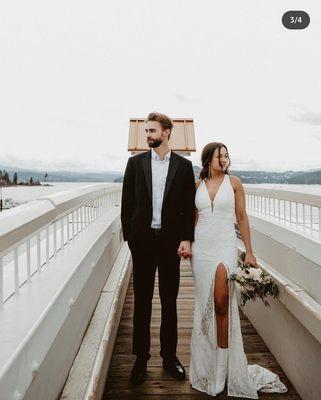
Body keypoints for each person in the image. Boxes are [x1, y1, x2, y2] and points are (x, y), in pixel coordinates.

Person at [189, 142, 288, 398]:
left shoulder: (234, 184)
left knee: (222, 303)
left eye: (225, 155)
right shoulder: (197, 185)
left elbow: (241, 216)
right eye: (218, 155)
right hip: (201, 250)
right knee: (204, 305)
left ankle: (222, 372)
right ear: (207, 159)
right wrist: (186, 243)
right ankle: (207, 363)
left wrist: (250, 252)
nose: (223, 159)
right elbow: (193, 219)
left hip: (224, 246)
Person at [121, 112, 195, 385]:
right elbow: (126, 203)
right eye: (146, 132)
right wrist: (130, 238)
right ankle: (141, 358)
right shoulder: (135, 164)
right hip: (142, 243)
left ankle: (169, 356)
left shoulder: (183, 167)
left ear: (166, 132)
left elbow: (188, 208)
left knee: (169, 301)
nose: (147, 136)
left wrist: (187, 238)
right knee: (141, 302)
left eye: (151, 131)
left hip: (169, 244)